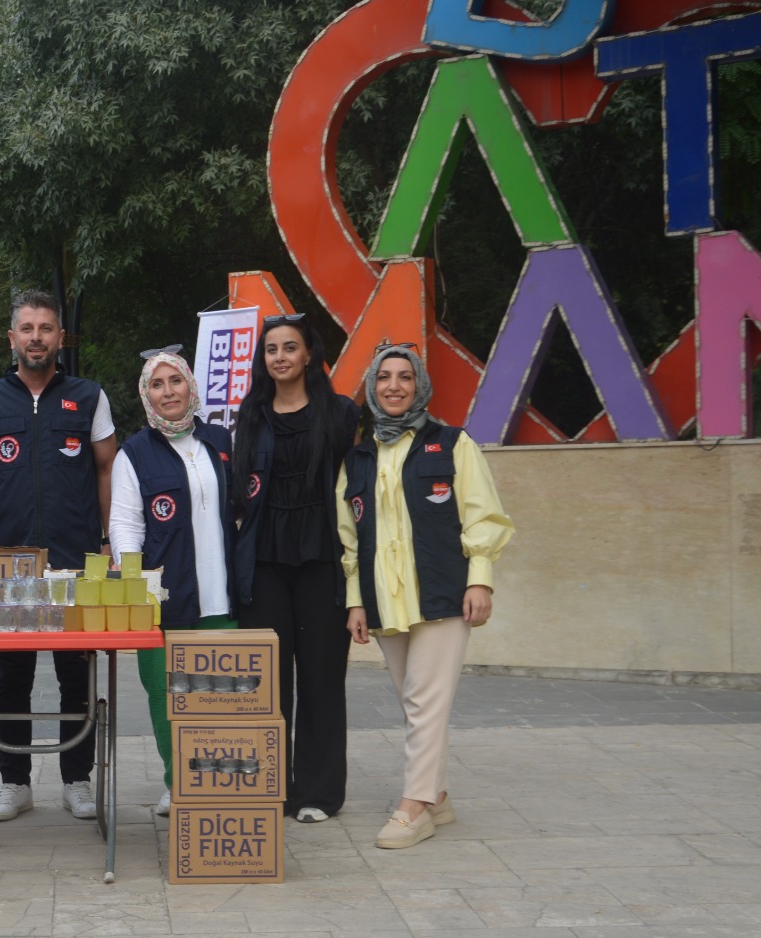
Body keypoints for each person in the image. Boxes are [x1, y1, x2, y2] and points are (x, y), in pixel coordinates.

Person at [339, 342, 514, 849]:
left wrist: (479, 576)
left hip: (442, 595)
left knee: (423, 700)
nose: (394, 386)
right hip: (385, 600)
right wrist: (356, 600)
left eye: (405, 377)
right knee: (414, 702)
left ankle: (413, 808)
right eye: (384, 378)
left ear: (419, 386)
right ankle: (437, 795)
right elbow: (348, 536)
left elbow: (484, 515)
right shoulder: (358, 456)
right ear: (371, 388)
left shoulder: (453, 444)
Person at [0, 290, 117, 821]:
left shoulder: (89, 397)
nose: (36, 337)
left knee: (77, 673)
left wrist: (109, 539)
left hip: (74, 559)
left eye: (46, 328)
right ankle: (13, 781)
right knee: (12, 674)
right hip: (8, 561)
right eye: (27, 328)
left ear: (60, 338)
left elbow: (106, 470)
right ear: (12, 338)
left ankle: (77, 779)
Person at [231, 313, 358, 823]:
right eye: (271, 350)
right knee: (269, 679)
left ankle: (319, 794)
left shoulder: (342, 414)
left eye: (289, 347)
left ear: (309, 354)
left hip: (323, 559)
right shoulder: (252, 415)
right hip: (264, 561)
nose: (280, 356)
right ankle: (272, 787)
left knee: (323, 679)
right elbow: (240, 493)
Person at [108, 348, 236, 816]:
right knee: (167, 696)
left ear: (190, 386)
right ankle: (176, 780)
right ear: (147, 395)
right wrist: (137, 584)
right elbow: (124, 526)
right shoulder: (134, 453)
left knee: (223, 694)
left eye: (175, 381)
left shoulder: (219, 441)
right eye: (157, 385)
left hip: (223, 596)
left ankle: (222, 780)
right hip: (163, 601)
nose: (168, 392)